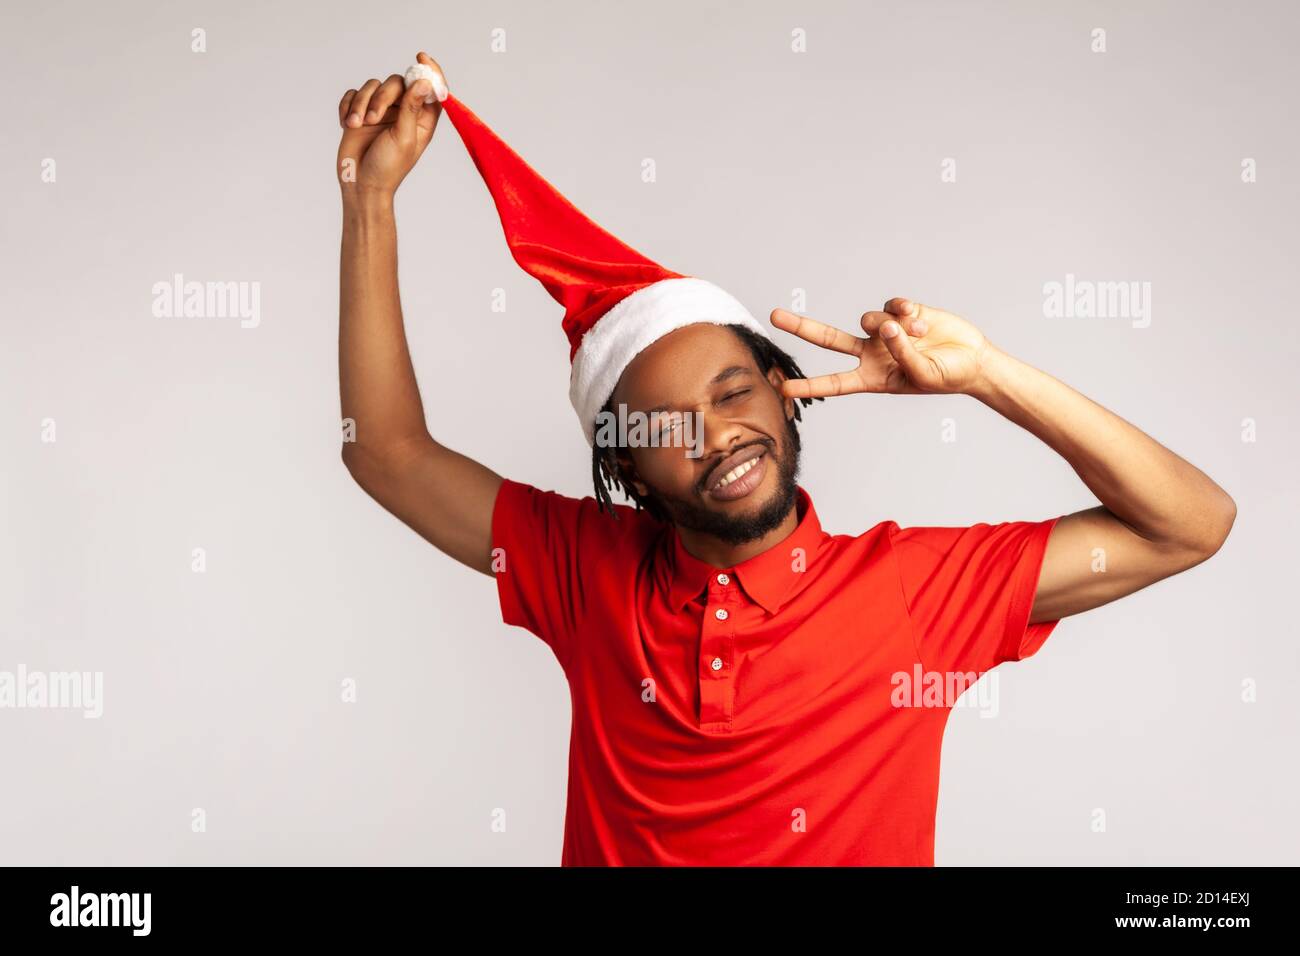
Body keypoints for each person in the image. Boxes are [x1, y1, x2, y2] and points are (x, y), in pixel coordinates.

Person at [335, 53, 1236, 865]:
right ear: (628, 468)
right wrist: (368, 202)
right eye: (666, 427)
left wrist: (987, 376)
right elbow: (386, 453)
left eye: (735, 394)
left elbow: (1189, 526)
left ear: (784, 390)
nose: (717, 435)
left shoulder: (914, 591)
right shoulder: (582, 568)